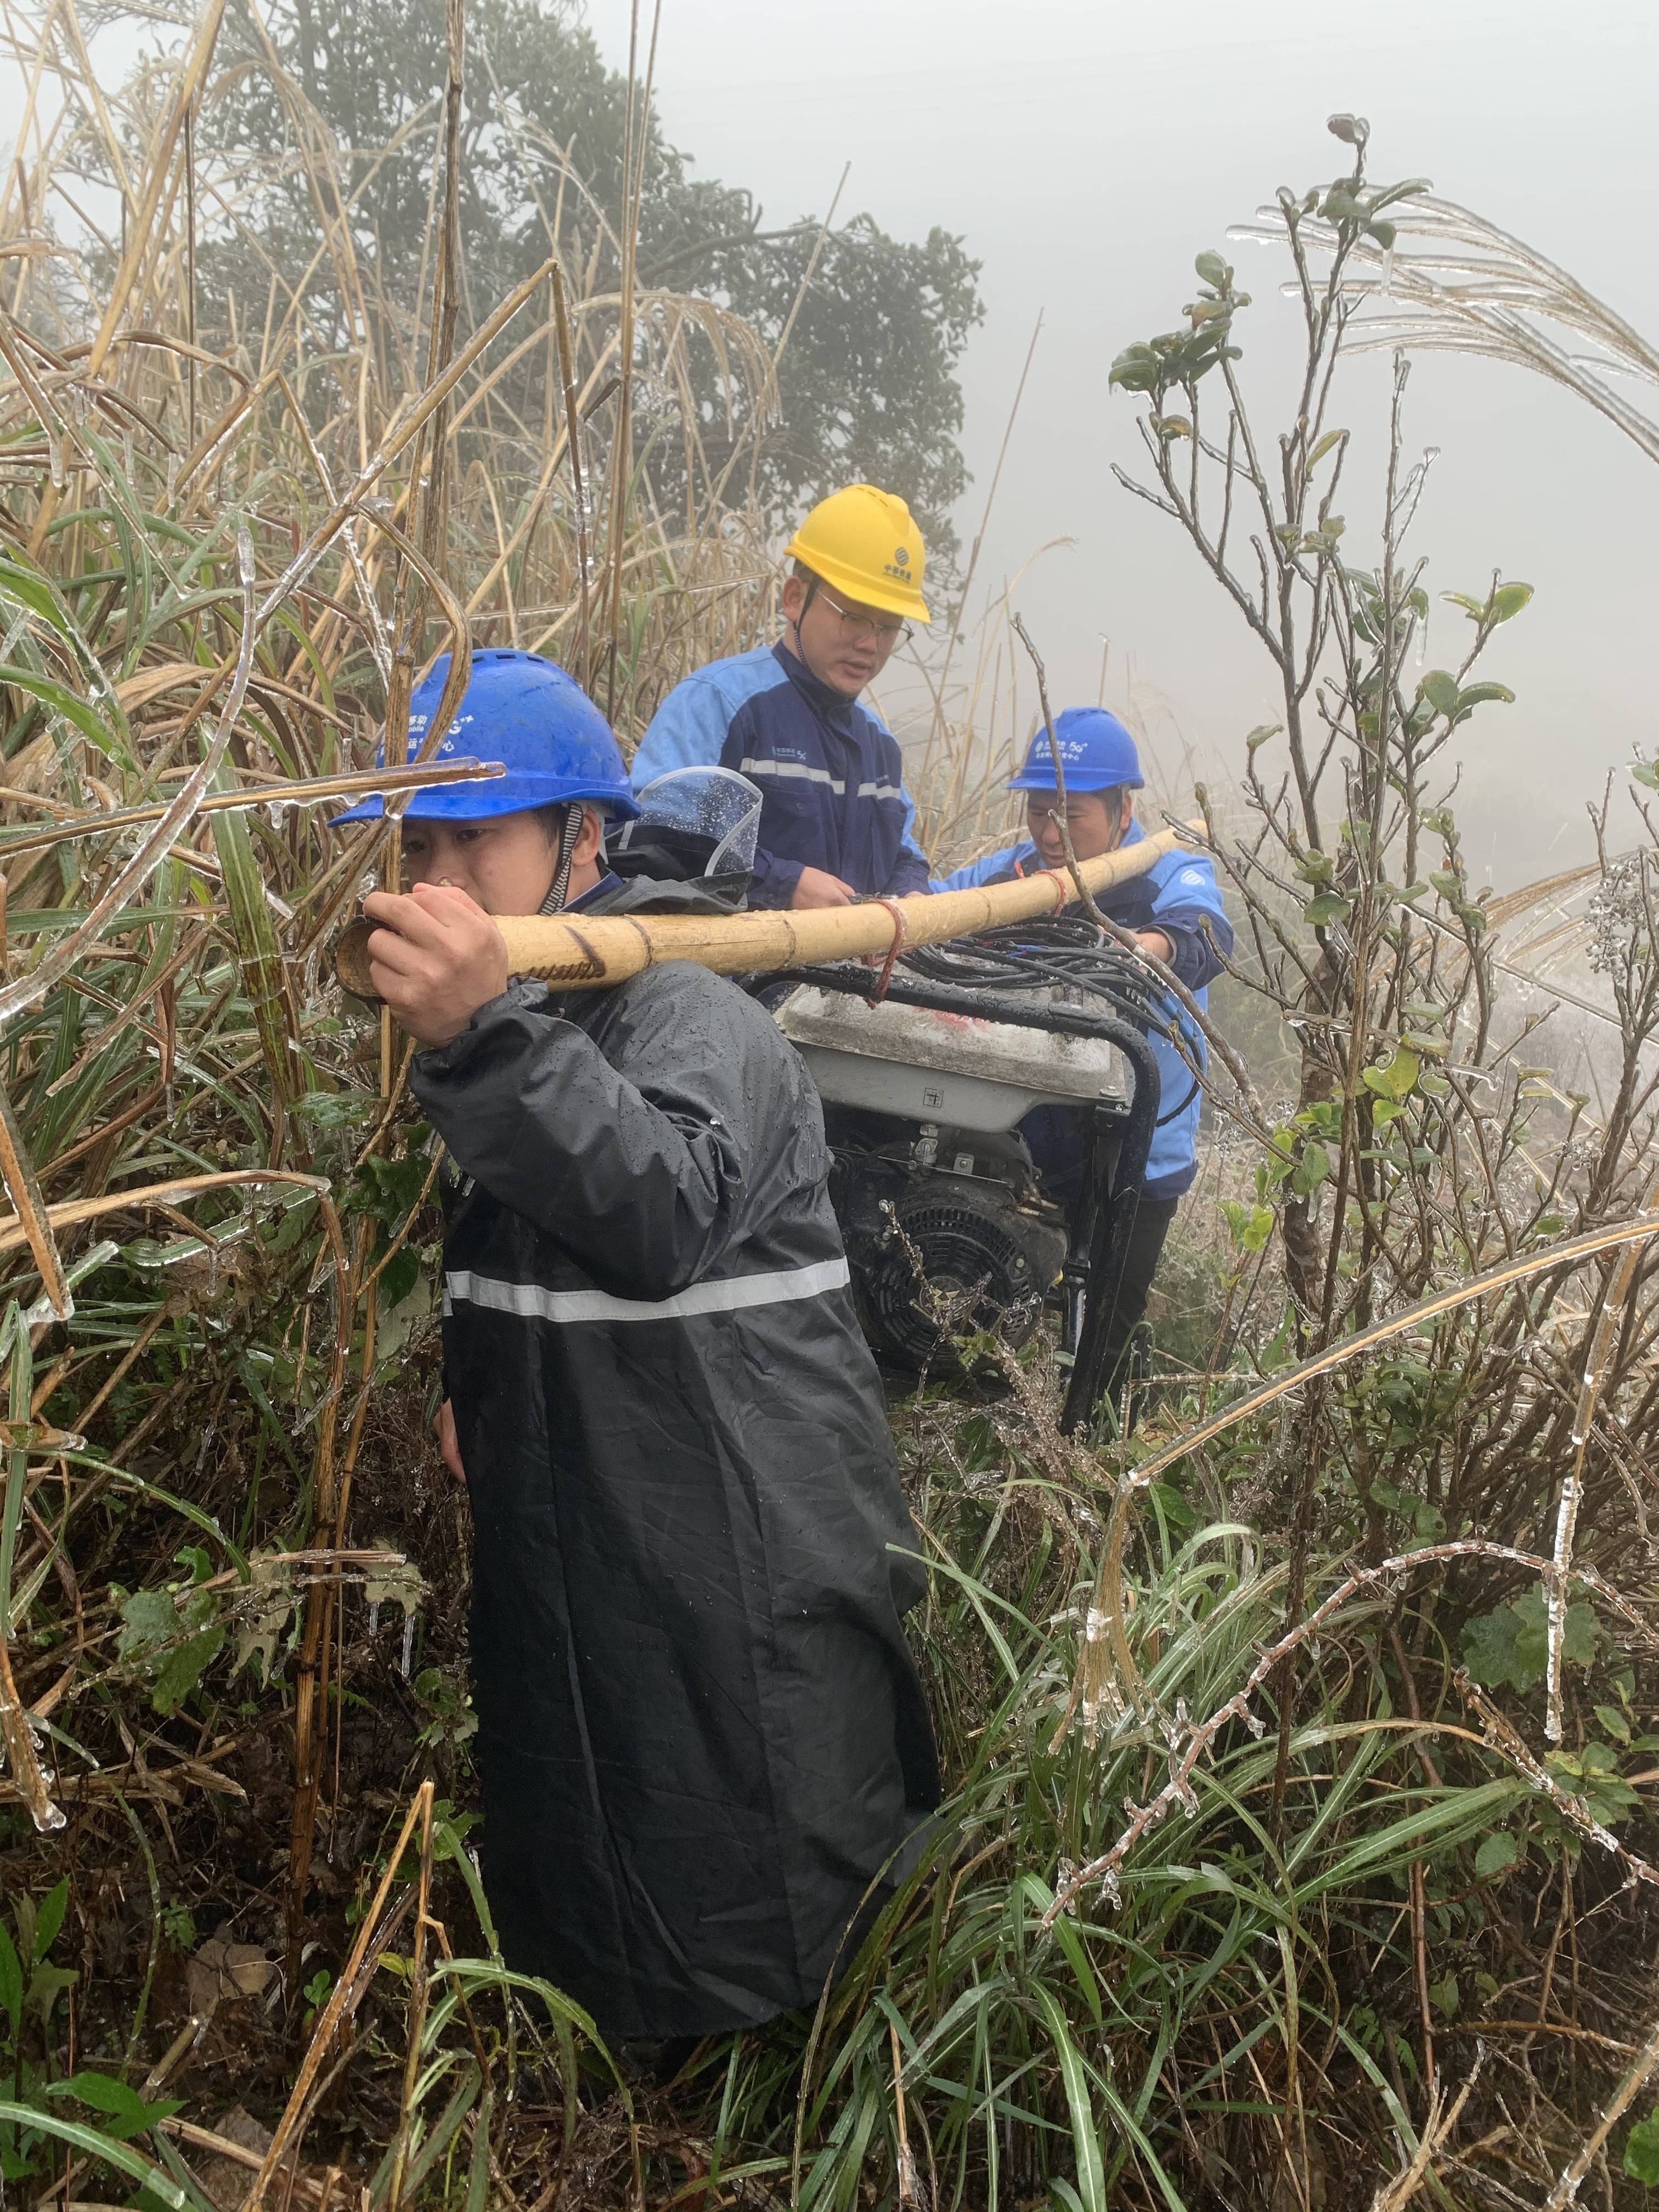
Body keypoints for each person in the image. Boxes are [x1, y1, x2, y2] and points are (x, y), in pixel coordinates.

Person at [337, 648, 939, 2045]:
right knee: (596, 1772)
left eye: (474, 840)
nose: (434, 878)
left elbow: (662, 1208)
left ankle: (779, 2101)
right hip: (591, 1501)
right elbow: (525, 1237)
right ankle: (612, 2050)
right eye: (417, 842)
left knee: (753, 1815)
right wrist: (470, 1378)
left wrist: (486, 1036)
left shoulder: (692, 1013)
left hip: (737, 1527)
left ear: (584, 844)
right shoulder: (530, 1019)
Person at [937, 708, 1233, 1391]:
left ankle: (1095, 1442)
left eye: (1071, 816)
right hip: (1025, 1131)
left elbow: (1206, 935)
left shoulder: (1168, 871)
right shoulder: (1008, 875)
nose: (1049, 833)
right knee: (998, 1296)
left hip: (1138, 1147)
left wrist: (1150, 948)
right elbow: (930, 904)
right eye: (1039, 813)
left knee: (1105, 1327)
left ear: (1123, 808)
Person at [630, 483, 933, 910]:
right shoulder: (718, 703)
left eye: (888, 627)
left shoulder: (880, 745)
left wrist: (913, 892)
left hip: (850, 973)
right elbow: (653, 840)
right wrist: (781, 884)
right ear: (794, 599)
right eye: (854, 618)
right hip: (734, 974)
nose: (870, 643)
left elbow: (905, 855)